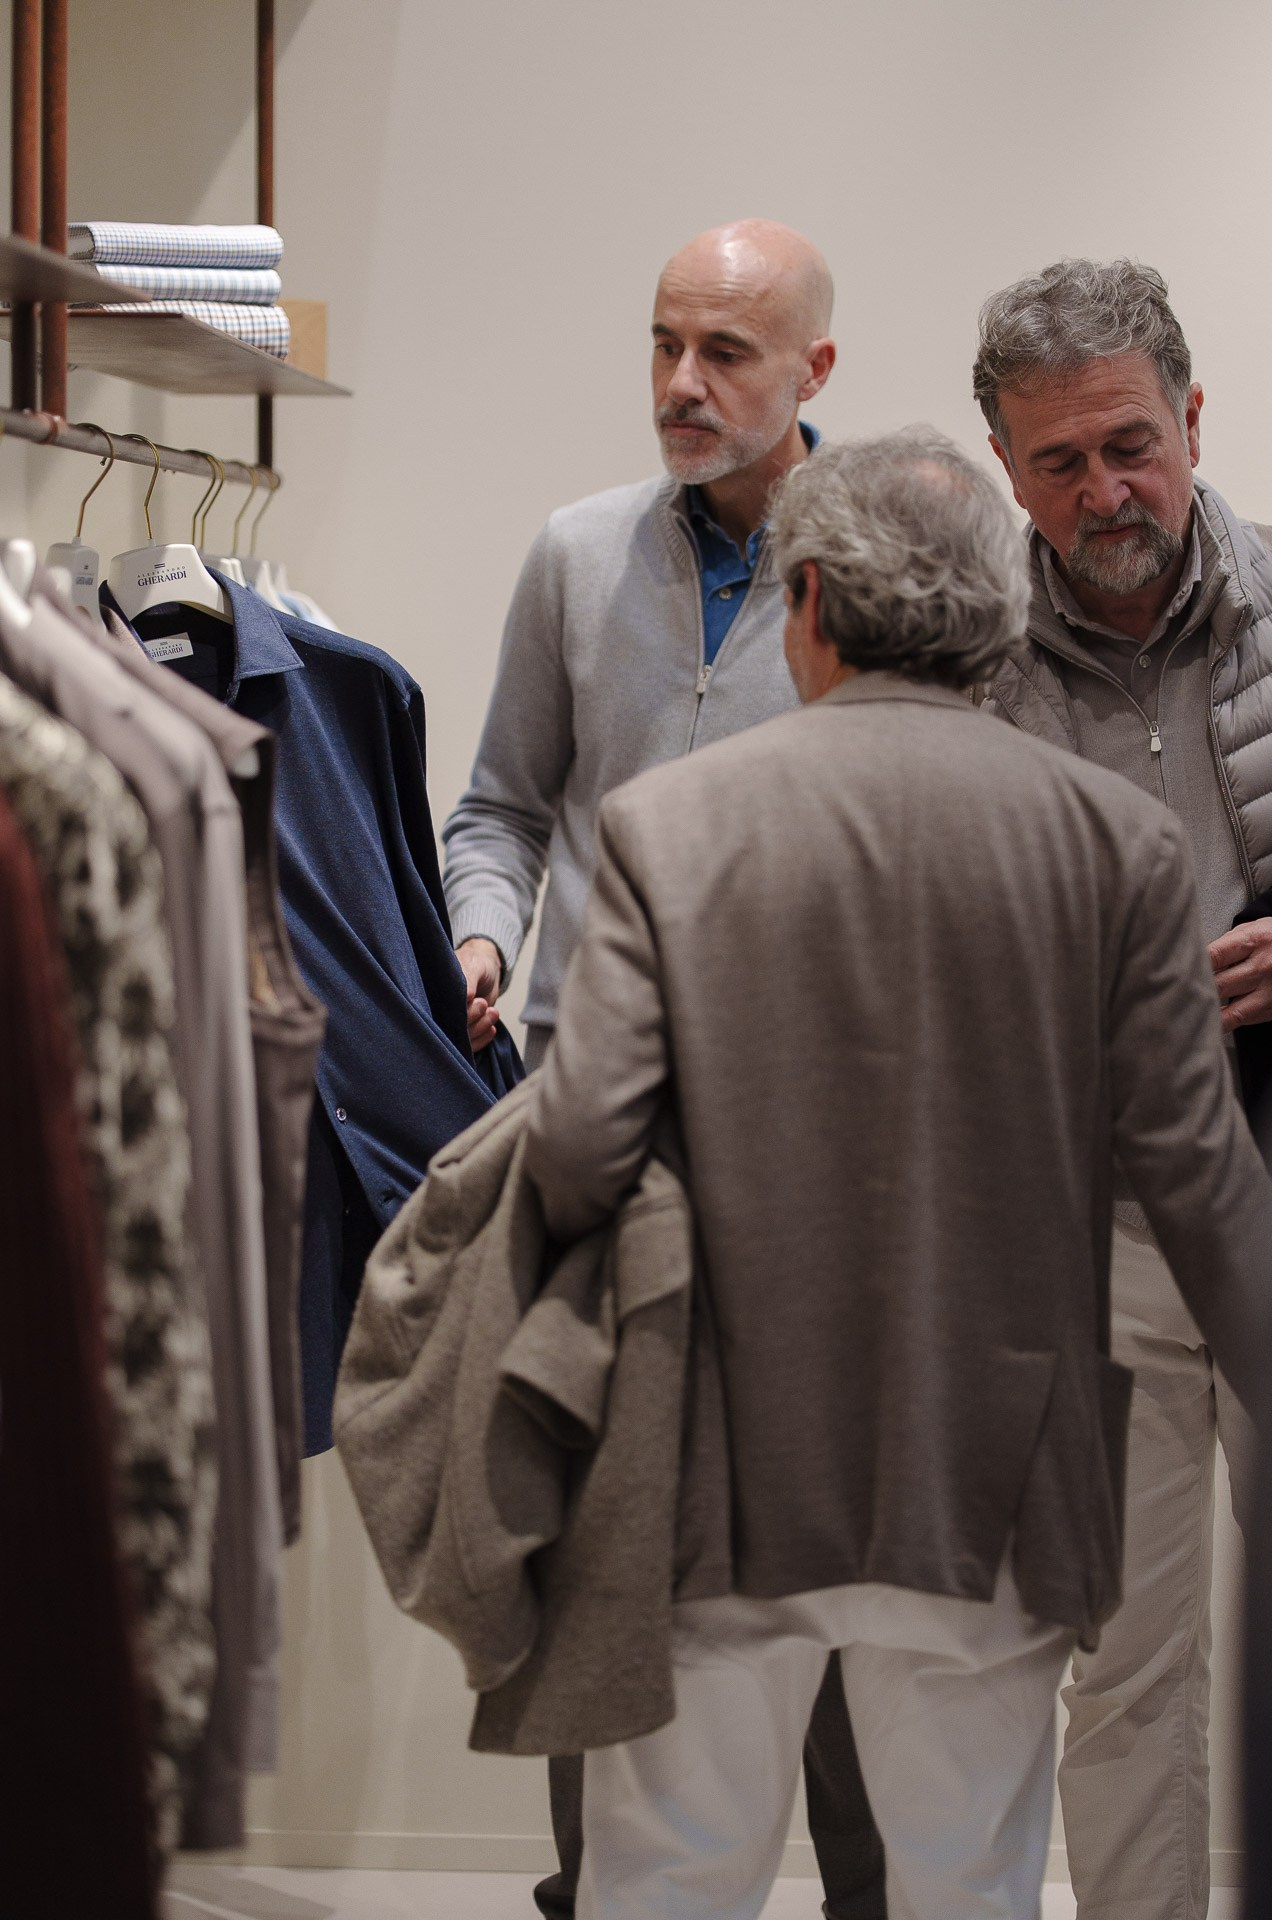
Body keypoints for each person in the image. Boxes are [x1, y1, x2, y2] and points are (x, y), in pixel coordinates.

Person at [522, 429, 1272, 1920]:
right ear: (1000, 610)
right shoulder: (1116, 844)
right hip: (990, 1468)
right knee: (970, 1878)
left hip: (717, 1469)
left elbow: (581, 1148)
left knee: (668, 1875)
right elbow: (1200, 1183)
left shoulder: (669, 825)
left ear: (803, 605)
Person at [442, 221, 884, 1920]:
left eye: (729, 354)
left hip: (819, 1155)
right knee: (600, 1553)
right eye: (663, 345)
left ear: (815, 373)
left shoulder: (898, 555)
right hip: (596, 1132)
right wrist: (481, 935)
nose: (684, 386)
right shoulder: (576, 556)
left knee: (828, 1567)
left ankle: (870, 1895)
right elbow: (497, 806)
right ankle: (597, 1893)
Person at [973, 257, 1272, 1920]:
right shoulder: (963, 668)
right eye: (1061, 463)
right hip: (1109, 1230)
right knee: (1135, 1664)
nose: (1108, 492)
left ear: (1192, 419)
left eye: (1132, 445)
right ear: (1008, 470)